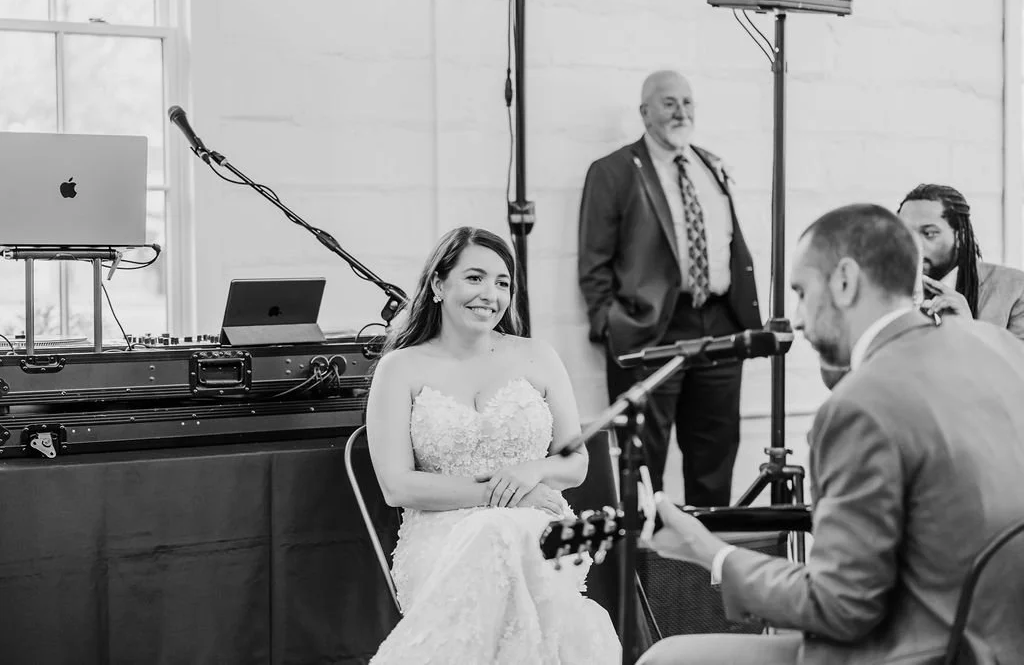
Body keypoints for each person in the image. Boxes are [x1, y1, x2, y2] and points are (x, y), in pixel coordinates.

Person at [637, 204, 1024, 665]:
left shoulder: (861, 403)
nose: (798, 319)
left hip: (919, 652)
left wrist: (709, 552)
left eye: (802, 292)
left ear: (844, 280)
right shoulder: (1001, 348)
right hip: (1003, 640)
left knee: (666, 658)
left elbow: (840, 607)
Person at [366, 226, 620, 664]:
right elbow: (397, 486)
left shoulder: (539, 355)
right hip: (442, 539)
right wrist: (498, 495)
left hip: (539, 525)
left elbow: (575, 462)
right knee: (494, 532)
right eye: (475, 278)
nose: (491, 294)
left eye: (503, 283)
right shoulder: (400, 367)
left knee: (507, 535)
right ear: (438, 284)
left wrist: (533, 471)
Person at [577, 70, 761, 505]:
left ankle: (707, 547)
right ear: (645, 112)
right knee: (643, 461)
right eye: (669, 102)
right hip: (651, 328)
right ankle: (643, 548)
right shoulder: (614, 171)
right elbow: (594, 262)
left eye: (687, 102)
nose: (681, 111)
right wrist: (609, 324)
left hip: (719, 324)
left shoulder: (709, 164)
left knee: (715, 454)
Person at [898, 183, 1024, 339]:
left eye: (929, 233)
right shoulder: (884, 289)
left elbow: (1017, 355)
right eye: (904, 232)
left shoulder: (1015, 289)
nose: (913, 244)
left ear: (961, 236)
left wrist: (969, 331)